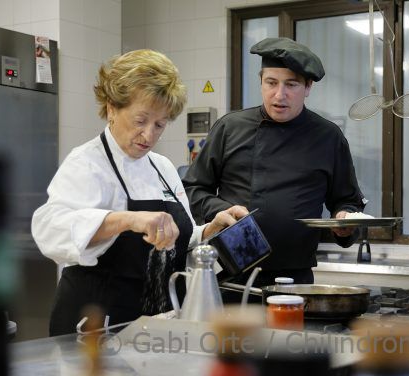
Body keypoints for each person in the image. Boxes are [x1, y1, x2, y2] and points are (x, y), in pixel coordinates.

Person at [32, 49, 247, 336]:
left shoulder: (162, 167)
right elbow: (48, 229)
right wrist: (127, 220)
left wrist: (209, 230)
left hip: (154, 326)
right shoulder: (87, 163)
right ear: (111, 108)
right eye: (140, 120)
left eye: (160, 124)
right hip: (96, 327)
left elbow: (173, 240)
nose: (149, 135)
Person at [183, 37, 366, 287]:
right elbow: (192, 189)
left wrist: (345, 221)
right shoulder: (229, 128)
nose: (280, 94)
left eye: (291, 84)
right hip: (232, 273)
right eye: (271, 83)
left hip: (297, 276)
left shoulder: (328, 137)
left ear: (308, 87)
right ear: (260, 82)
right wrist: (221, 211)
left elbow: (347, 199)